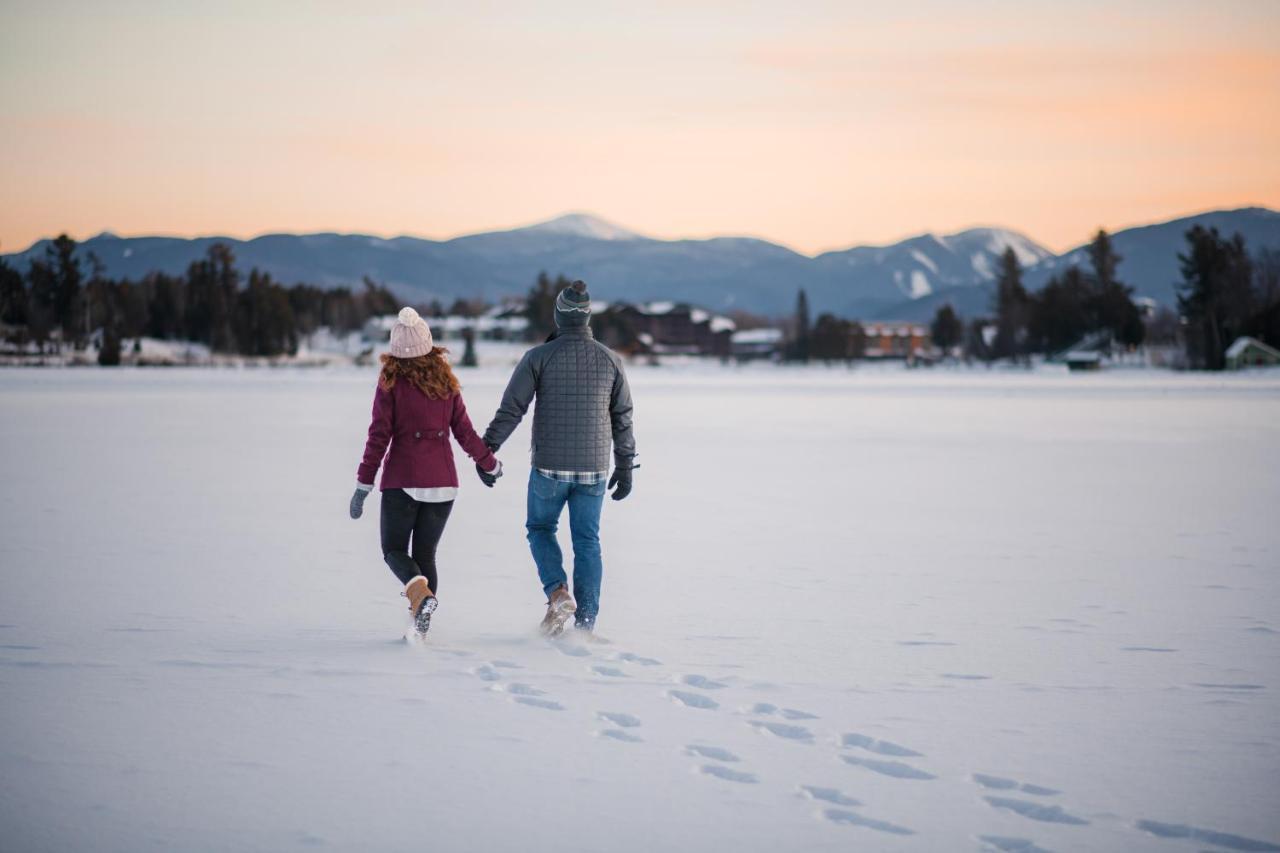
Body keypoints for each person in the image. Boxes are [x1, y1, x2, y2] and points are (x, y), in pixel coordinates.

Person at [482, 280, 636, 636]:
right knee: (587, 541)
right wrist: (625, 465)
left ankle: (557, 592)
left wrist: (487, 449)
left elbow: (512, 409)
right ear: (587, 318)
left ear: (558, 316)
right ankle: (585, 625)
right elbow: (622, 416)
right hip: (594, 469)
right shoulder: (610, 360)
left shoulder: (538, 357)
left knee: (540, 528)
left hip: (549, 467)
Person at [349, 307, 502, 637]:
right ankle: (420, 627)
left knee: (394, 551)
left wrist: (364, 483)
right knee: (425, 555)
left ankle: (419, 598)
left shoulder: (390, 383)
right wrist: (490, 463)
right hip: (444, 484)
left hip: (403, 482)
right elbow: (465, 432)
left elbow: (378, 437)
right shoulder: (446, 382)